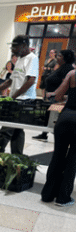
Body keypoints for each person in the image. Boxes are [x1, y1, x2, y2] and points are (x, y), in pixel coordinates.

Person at [0, 35, 39, 155]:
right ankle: (17, 157)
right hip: (16, 99)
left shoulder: (32, 59)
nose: (12, 50)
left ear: (24, 46)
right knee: (17, 130)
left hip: (24, 100)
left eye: (15, 47)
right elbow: (10, 81)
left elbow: (31, 81)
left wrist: (13, 97)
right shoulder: (20, 59)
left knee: (7, 127)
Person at [41, 69, 76, 207]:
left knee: (58, 156)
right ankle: (63, 198)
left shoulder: (72, 74)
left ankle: (47, 194)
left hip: (65, 117)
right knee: (72, 160)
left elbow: (58, 96)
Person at [34, 50, 75, 142]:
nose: (57, 58)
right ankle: (44, 134)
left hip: (58, 98)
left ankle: (56, 135)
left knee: (54, 117)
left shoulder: (67, 68)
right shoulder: (62, 67)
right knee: (49, 116)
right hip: (52, 96)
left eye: (60, 56)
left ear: (65, 58)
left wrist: (56, 94)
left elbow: (65, 84)